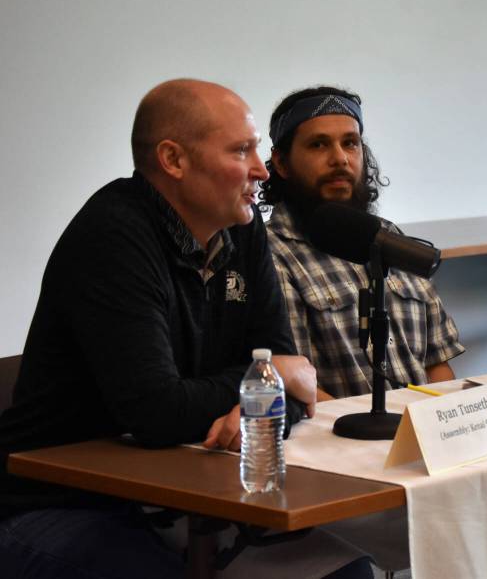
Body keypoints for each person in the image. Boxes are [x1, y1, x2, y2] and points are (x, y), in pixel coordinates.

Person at [0, 80, 370, 578]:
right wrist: (265, 381)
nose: (262, 169)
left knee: (346, 572)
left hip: (190, 495)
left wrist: (265, 395)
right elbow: (159, 411)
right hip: (62, 500)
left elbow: (283, 382)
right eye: (242, 150)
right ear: (173, 160)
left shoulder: (242, 228)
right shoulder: (113, 236)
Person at [261, 86, 464, 399]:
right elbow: (297, 387)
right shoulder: (271, 254)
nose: (340, 159)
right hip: (343, 439)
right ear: (282, 164)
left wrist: (448, 423)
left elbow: (437, 362)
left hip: (421, 432)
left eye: (350, 143)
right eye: (318, 144)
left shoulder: (389, 236)